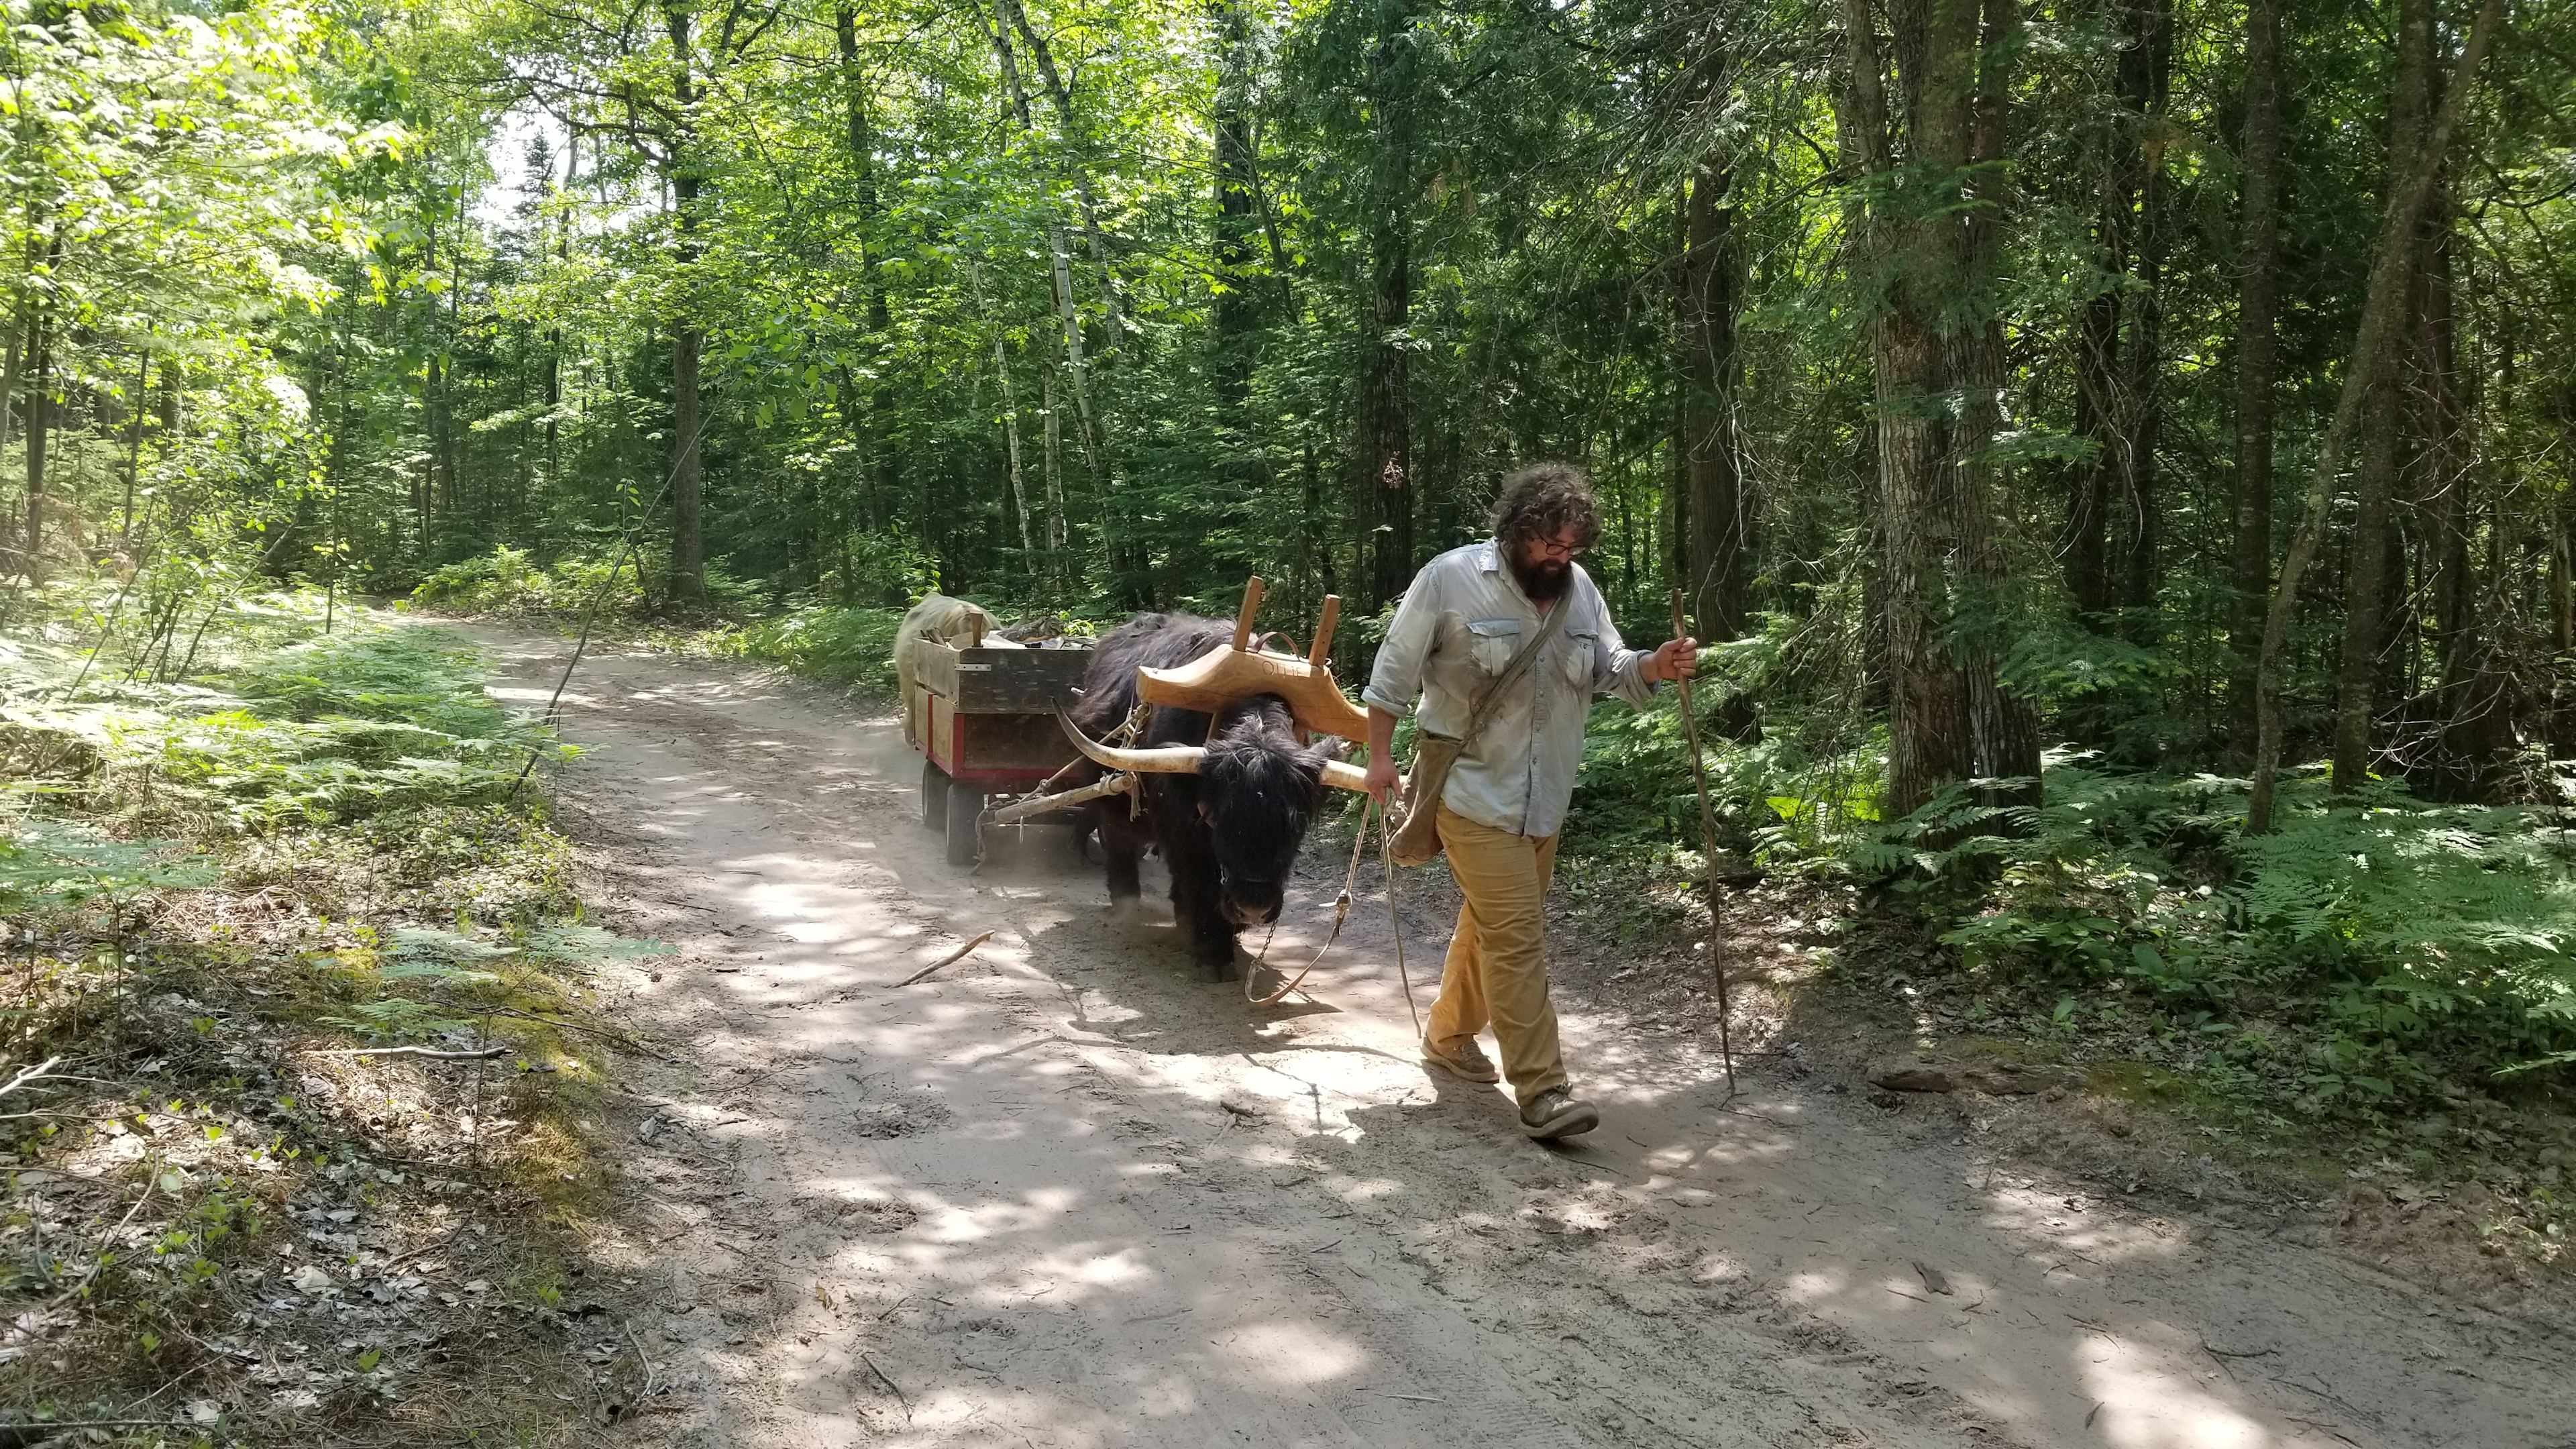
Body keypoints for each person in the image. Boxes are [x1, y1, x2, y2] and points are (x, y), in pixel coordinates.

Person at [1361, 462, 1699, 1140]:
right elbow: (1390, 676)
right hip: (1471, 791)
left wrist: (1655, 665)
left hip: (1546, 800)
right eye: (1549, 544)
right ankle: (1543, 1091)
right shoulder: (1450, 578)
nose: (1560, 557)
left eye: (1572, 548)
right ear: (1518, 529)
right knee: (1517, 938)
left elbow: (1609, 667)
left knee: (1490, 926)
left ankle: (1449, 1036)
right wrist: (1377, 758)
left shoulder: (1581, 594)